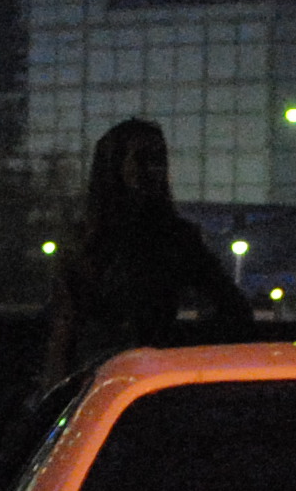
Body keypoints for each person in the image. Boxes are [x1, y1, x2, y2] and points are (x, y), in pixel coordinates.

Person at [43, 117, 246, 381]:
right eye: (142, 158)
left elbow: (232, 307)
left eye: (158, 159)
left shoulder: (175, 238)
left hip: (123, 377)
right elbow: (65, 326)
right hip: (113, 377)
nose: (154, 168)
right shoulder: (88, 240)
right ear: (115, 166)